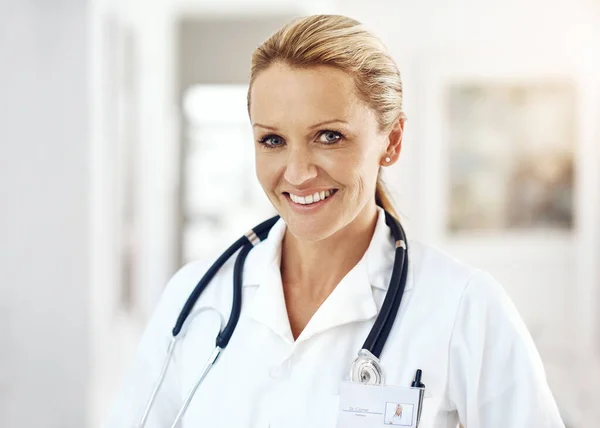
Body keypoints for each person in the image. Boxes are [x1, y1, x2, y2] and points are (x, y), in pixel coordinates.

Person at [104, 14, 565, 428]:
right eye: (272, 140)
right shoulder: (196, 296)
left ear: (393, 140)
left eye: (329, 136)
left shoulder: (463, 306)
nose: (299, 172)